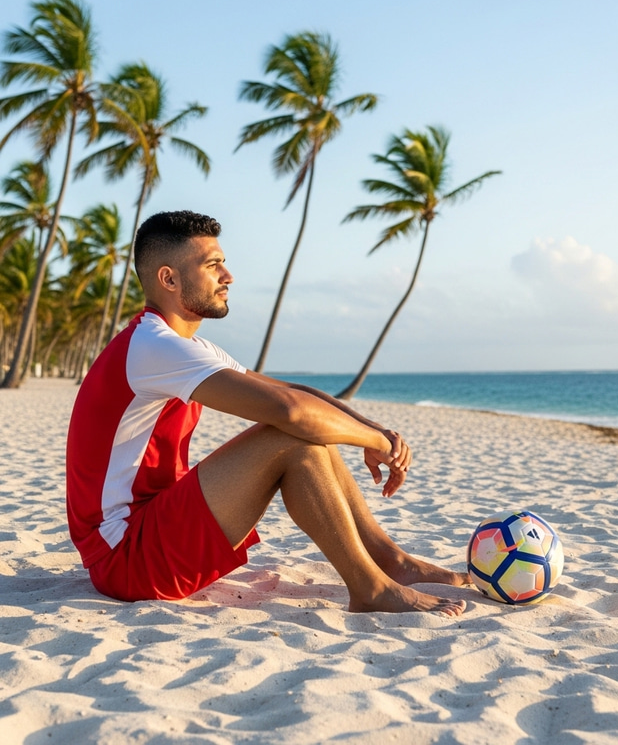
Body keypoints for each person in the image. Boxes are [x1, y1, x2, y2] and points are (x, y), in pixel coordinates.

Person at [66, 210, 468, 616]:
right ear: (168, 279)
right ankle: (370, 587)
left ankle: (390, 561)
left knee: (300, 426)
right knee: (289, 435)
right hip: (126, 558)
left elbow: (290, 390)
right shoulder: (155, 346)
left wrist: (376, 428)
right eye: (212, 265)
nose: (228, 276)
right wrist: (378, 443)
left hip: (150, 531)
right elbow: (290, 411)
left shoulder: (173, 342)